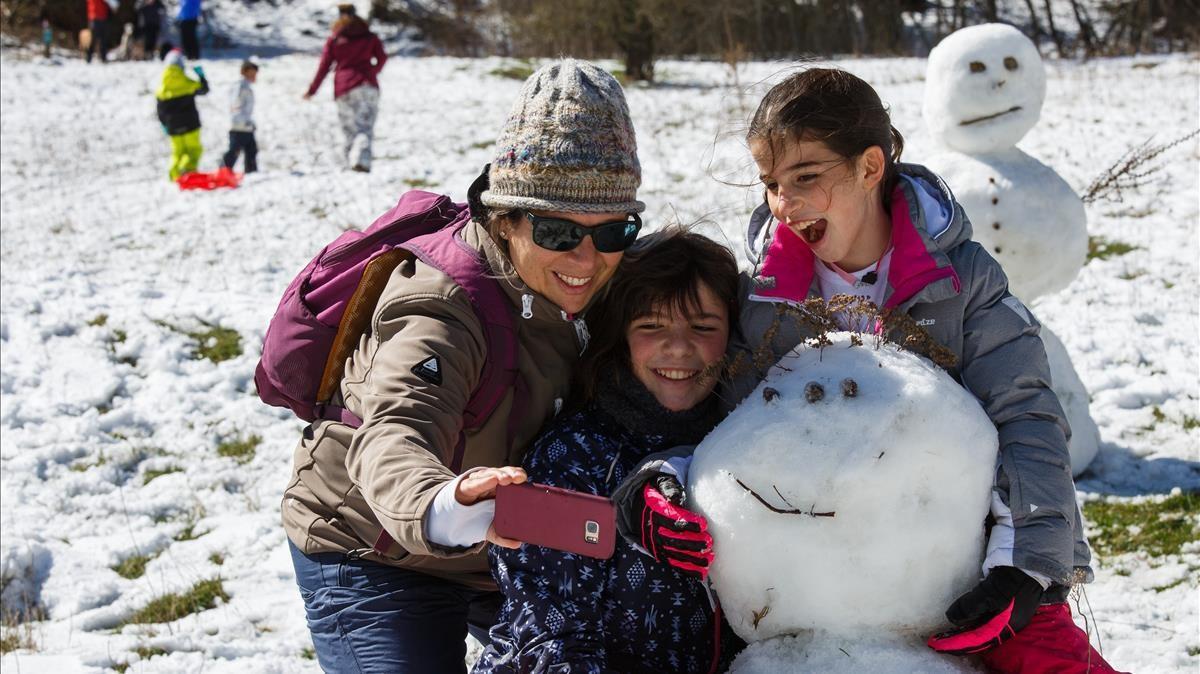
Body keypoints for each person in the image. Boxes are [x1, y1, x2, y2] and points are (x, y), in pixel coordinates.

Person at [624, 67, 1123, 674]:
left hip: (961, 562)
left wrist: (1023, 566)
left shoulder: (961, 283)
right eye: (771, 184)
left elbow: (1027, 414)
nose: (786, 203)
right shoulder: (766, 298)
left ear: (868, 167)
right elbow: (728, 429)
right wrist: (664, 482)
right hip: (813, 582)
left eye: (806, 177)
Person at [283, 59, 645, 674]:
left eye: (614, 230)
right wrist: (442, 503)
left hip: (514, 548)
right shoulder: (442, 303)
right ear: (506, 219)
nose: (588, 258)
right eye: (558, 231)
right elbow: (395, 431)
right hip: (376, 549)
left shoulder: (620, 281)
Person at [474, 230, 740, 674]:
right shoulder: (570, 454)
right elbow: (547, 625)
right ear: (620, 336)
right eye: (651, 326)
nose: (678, 346)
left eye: (703, 326)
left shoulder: (745, 440)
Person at [303, 3, 387, 172]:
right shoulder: (369, 36)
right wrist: (372, 71)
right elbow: (382, 58)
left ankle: (348, 163)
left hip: (344, 87)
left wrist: (312, 90)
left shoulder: (335, 39)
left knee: (349, 129)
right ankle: (362, 162)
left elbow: (324, 66)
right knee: (365, 127)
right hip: (368, 85)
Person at [155, 43, 209, 181]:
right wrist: (201, 76)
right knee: (193, 150)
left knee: (177, 152)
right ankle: (188, 173)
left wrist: (164, 124)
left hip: (172, 126)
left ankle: (174, 175)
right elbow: (204, 89)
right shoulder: (187, 83)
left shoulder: (162, 87)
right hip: (190, 124)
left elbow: (160, 110)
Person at [222, 59, 258, 174]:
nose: (254, 76)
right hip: (239, 126)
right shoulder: (240, 86)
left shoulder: (246, 86)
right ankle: (223, 172)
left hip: (246, 125)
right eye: (252, 73)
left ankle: (251, 172)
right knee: (234, 151)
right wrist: (242, 121)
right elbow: (236, 106)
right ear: (244, 72)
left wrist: (250, 122)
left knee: (251, 150)